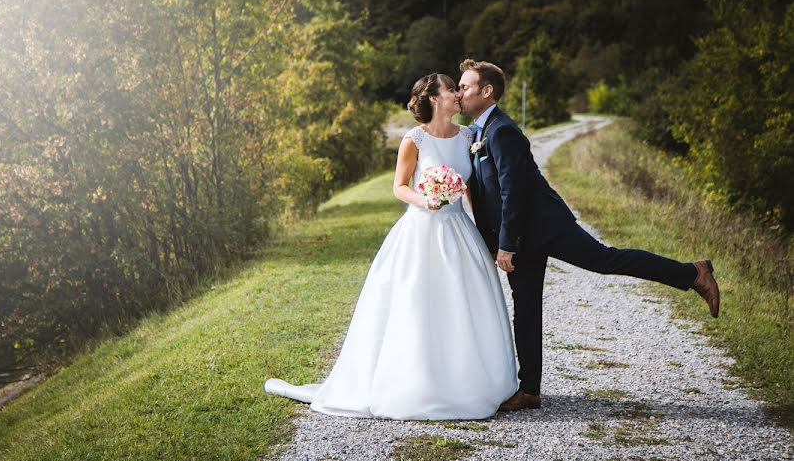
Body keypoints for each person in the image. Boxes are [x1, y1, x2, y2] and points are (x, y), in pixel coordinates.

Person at [456, 58, 721, 412]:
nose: (459, 92)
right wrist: (494, 242)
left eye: (465, 86)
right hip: (521, 238)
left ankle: (693, 273)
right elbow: (484, 196)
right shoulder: (477, 133)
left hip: (545, 228)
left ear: (486, 91)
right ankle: (529, 389)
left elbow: (511, 193)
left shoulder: (502, 131)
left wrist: (505, 244)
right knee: (526, 309)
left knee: (605, 260)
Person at [264, 73, 518, 420]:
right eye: (451, 89)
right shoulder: (414, 140)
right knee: (417, 305)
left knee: (463, 304)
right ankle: (417, 383)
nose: (458, 94)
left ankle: (467, 379)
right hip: (421, 230)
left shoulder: (470, 137)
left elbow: (473, 193)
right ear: (433, 98)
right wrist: (424, 199)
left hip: (459, 230)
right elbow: (399, 186)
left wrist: (487, 238)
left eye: (460, 89)